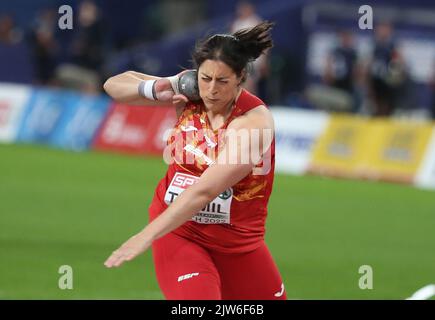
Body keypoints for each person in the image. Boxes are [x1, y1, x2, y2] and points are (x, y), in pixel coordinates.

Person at [103, 21, 286, 300]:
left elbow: (205, 191)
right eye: (205, 78)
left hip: (238, 241)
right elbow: (113, 85)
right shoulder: (191, 91)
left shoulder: (252, 124)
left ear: (240, 78)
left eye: (222, 81)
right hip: (179, 229)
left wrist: (144, 236)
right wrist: (159, 87)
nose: (211, 89)